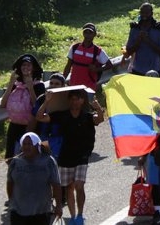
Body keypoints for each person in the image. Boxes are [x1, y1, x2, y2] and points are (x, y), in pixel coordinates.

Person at [34, 88, 104, 225]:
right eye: (72, 99)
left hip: (82, 156)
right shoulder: (61, 116)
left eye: (77, 99)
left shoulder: (87, 116)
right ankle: (73, 217)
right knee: (69, 188)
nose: (74, 102)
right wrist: (46, 102)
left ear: (82, 100)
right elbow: (39, 117)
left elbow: (100, 119)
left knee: (79, 185)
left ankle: (80, 215)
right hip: (65, 156)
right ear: (68, 100)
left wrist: (98, 108)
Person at [6, 132, 60, 225]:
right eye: (24, 144)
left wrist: (58, 206)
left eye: (30, 144)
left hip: (41, 212)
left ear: (37, 145)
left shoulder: (48, 161)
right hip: (19, 212)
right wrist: (12, 201)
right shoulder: (15, 162)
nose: (27, 147)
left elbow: (56, 184)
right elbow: (10, 183)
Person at [4, 55, 45, 161]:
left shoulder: (39, 86)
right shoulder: (15, 85)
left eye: (28, 65)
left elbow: (37, 107)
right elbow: (3, 104)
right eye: (23, 65)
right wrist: (10, 84)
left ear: (34, 68)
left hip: (30, 127)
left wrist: (30, 87)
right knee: (10, 158)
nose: (25, 67)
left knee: (28, 159)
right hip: (14, 126)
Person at [125, 3, 160, 76]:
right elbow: (128, 51)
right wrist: (139, 41)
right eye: (142, 12)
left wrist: (148, 41)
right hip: (137, 70)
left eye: (147, 13)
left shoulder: (159, 29)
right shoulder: (135, 29)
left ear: (151, 13)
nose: (144, 15)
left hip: (155, 71)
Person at [63, 23, 110, 91]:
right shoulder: (75, 47)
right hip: (73, 84)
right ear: (83, 33)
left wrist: (96, 70)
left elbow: (109, 65)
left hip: (89, 87)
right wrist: (62, 80)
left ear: (94, 34)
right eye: (85, 32)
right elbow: (68, 65)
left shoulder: (98, 51)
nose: (87, 35)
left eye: (90, 32)